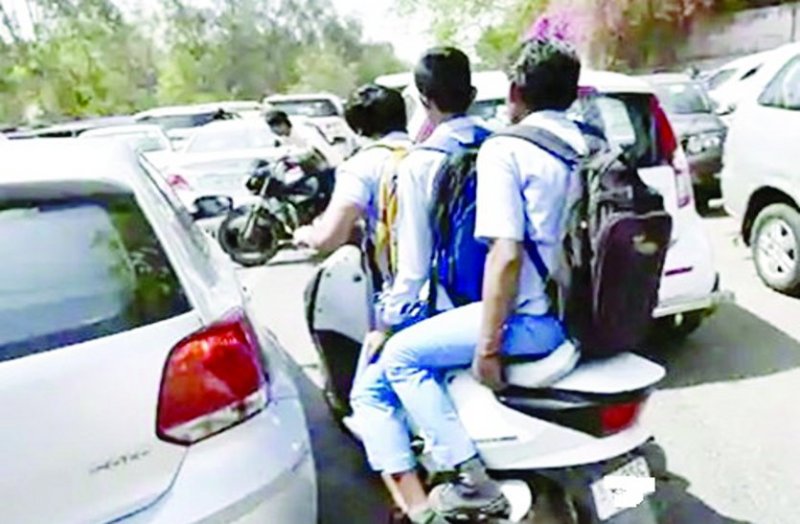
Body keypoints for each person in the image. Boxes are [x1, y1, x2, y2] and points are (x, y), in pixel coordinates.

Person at [349, 38, 587, 523]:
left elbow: (496, 258)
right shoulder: (589, 142)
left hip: (515, 317)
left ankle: (450, 493)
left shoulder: (490, 152)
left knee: (385, 374)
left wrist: (484, 346)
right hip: (581, 311)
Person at [292, 84, 410, 256]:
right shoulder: (431, 155)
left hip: (398, 277)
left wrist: (307, 235)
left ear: (357, 128)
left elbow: (329, 237)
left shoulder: (361, 166)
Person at [265, 108, 343, 166]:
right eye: (271, 127)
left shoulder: (303, 132)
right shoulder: (283, 139)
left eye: (276, 126)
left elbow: (316, 149)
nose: (274, 130)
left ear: (284, 124)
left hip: (329, 164)